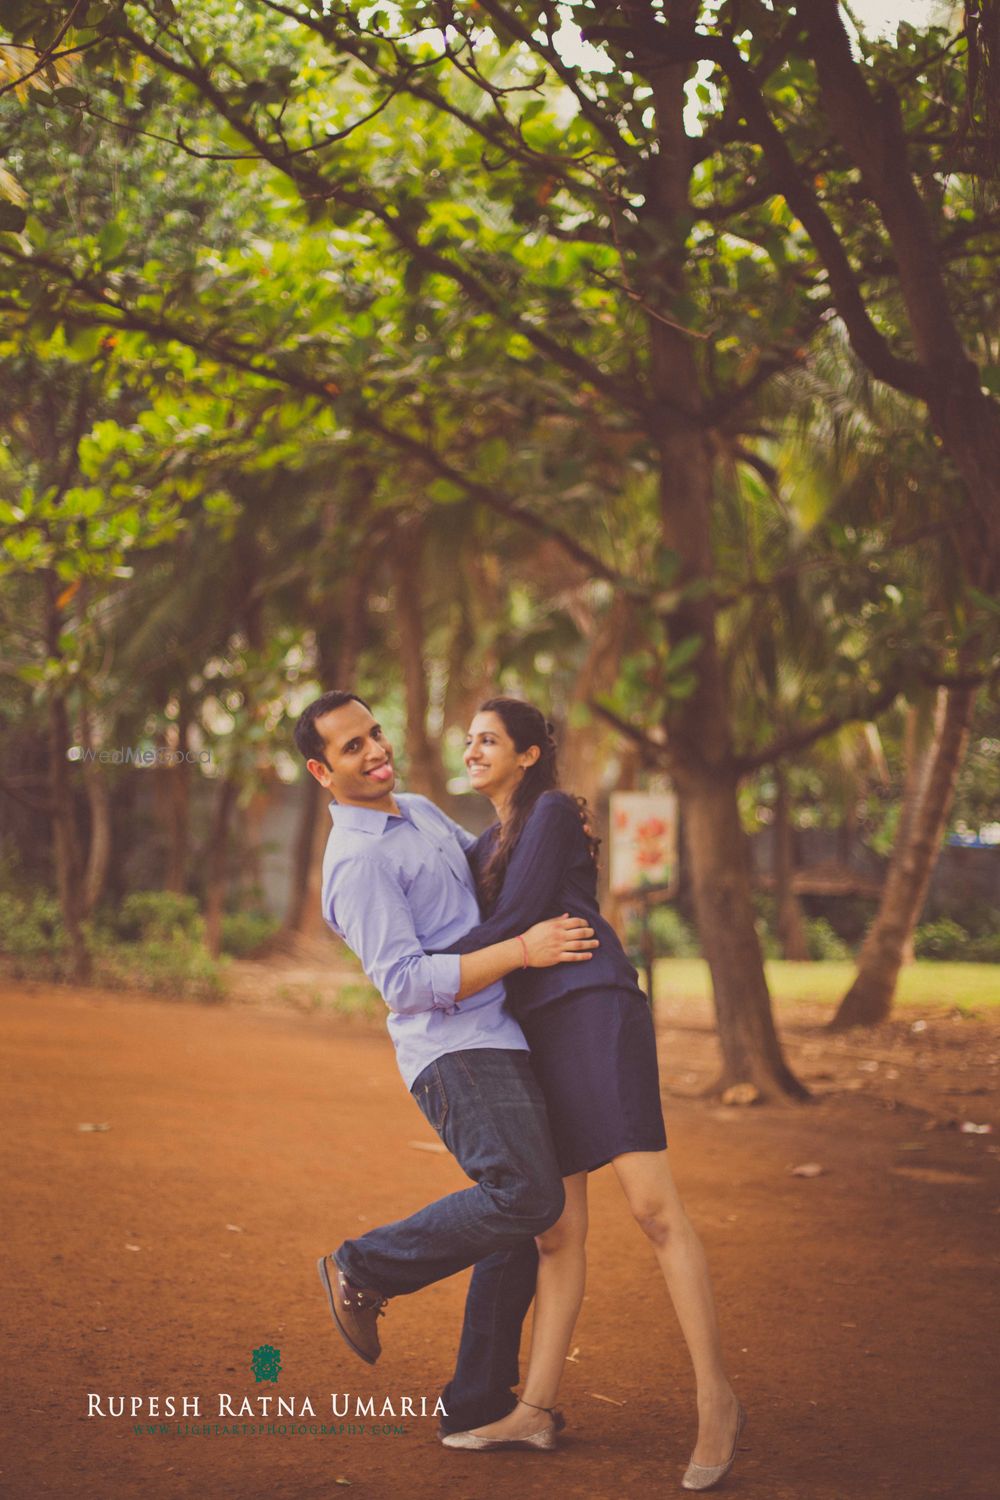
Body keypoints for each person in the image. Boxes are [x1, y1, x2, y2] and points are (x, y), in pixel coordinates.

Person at [436, 697, 746, 1492]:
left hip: (592, 1008)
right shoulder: (483, 841)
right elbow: (480, 918)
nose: (472, 751)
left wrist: (426, 971)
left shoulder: (549, 813)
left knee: (651, 1209)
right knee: (556, 1233)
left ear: (531, 753)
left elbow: (516, 917)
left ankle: (717, 1398)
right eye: (468, 740)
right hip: (532, 1030)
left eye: (489, 740)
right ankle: (535, 1409)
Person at [291, 690, 598, 1371]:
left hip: (502, 1030)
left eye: (375, 732)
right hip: (456, 1051)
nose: (375, 751)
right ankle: (363, 1266)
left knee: (514, 1227)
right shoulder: (357, 862)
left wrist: (552, 826)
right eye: (351, 747)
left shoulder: (421, 812)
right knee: (529, 1197)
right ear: (321, 772)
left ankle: (477, 1403)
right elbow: (403, 983)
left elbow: (497, 874)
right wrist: (523, 951)